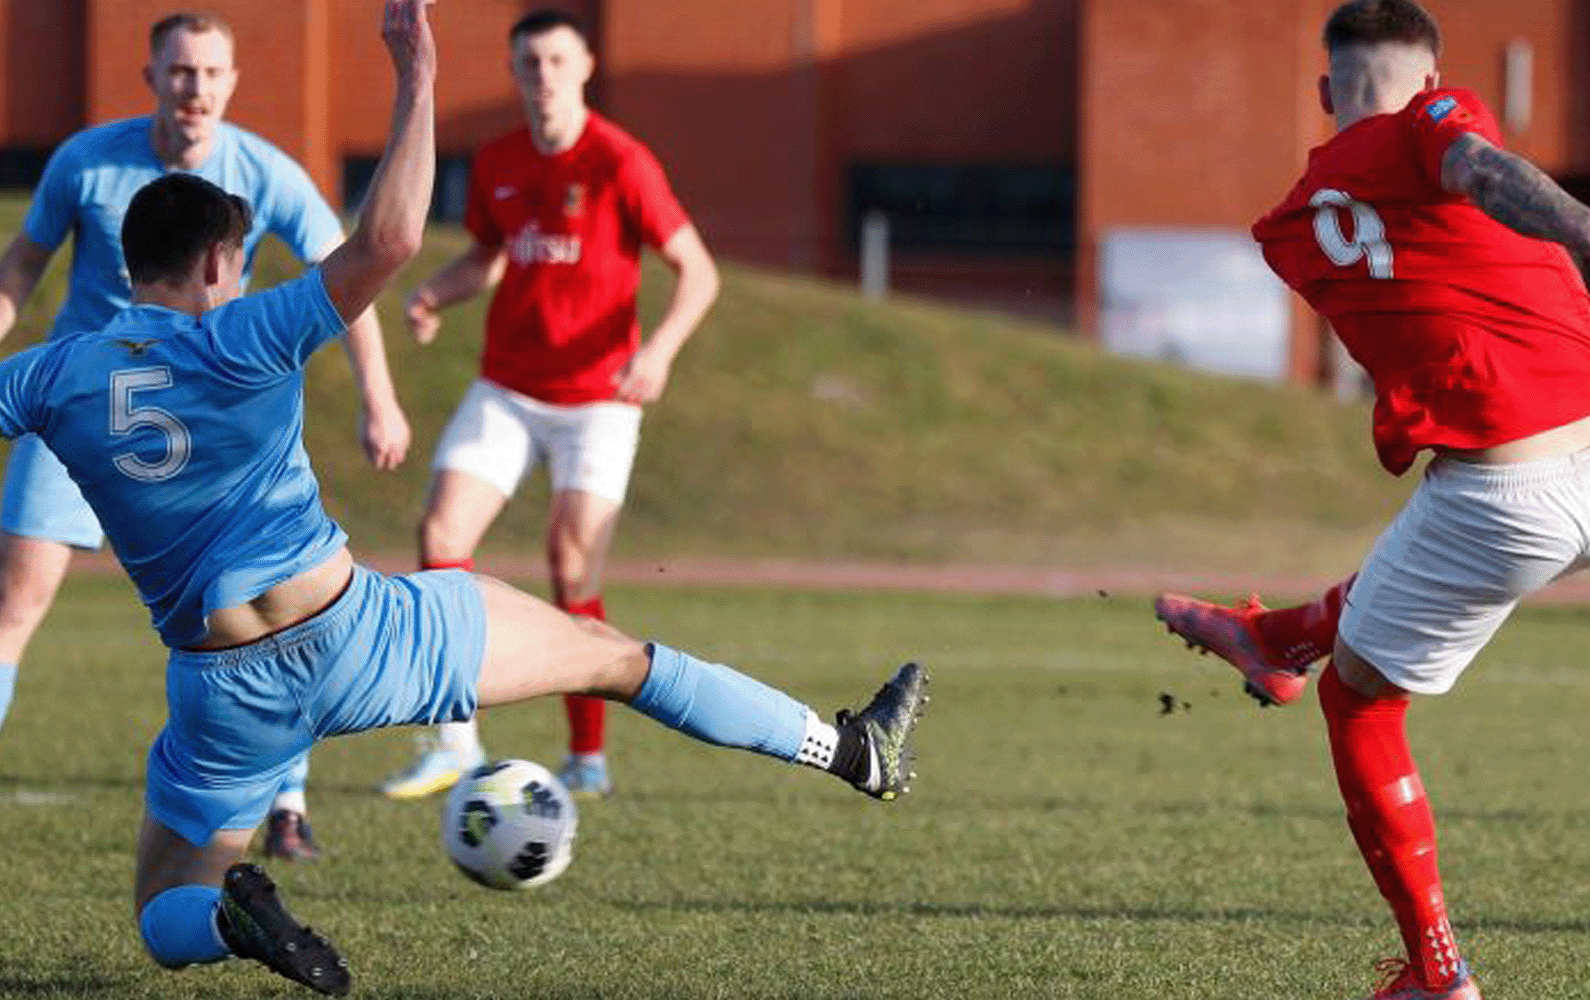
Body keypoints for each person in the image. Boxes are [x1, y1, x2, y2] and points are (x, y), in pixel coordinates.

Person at [0, 3, 926, 995]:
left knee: (159, 912)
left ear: (125, 261)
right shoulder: (247, 333)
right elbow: (392, 237)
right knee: (619, 660)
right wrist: (416, 78)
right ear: (220, 264)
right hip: (364, 631)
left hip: (224, 690)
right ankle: (849, 749)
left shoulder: (50, 377)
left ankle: (231, 916)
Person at [1153, 2, 1590, 997]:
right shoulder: (1435, 121)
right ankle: (1279, 641)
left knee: (1360, 704)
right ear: (1433, 78)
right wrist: (1584, 231)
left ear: (1325, 91)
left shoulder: (1286, 227)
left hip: (1505, 491)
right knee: (1393, 596)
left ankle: (1436, 974)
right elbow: (1478, 170)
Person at [0, 10, 413, 861]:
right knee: (14, 600)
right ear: (152, 77)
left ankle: (287, 807)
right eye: (180, 71)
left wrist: (380, 394)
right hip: (80, 409)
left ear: (231, 83)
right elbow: (22, 266)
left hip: (214, 433)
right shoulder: (85, 160)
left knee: (271, 613)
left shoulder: (268, 174)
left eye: (211, 73)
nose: (194, 88)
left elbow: (348, 275)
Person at [380, 7, 720, 801]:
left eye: (558, 61)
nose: (543, 76)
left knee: (570, 566)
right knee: (440, 535)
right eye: (529, 62)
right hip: (506, 387)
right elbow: (489, 258)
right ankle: (455, 742)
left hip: (601, 398)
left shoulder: (620, 161)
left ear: (586, 66)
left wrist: (659, 352)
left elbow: (697, 272)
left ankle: (588, 756)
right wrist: (435, 293)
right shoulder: (498, 159)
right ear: (514, 71)